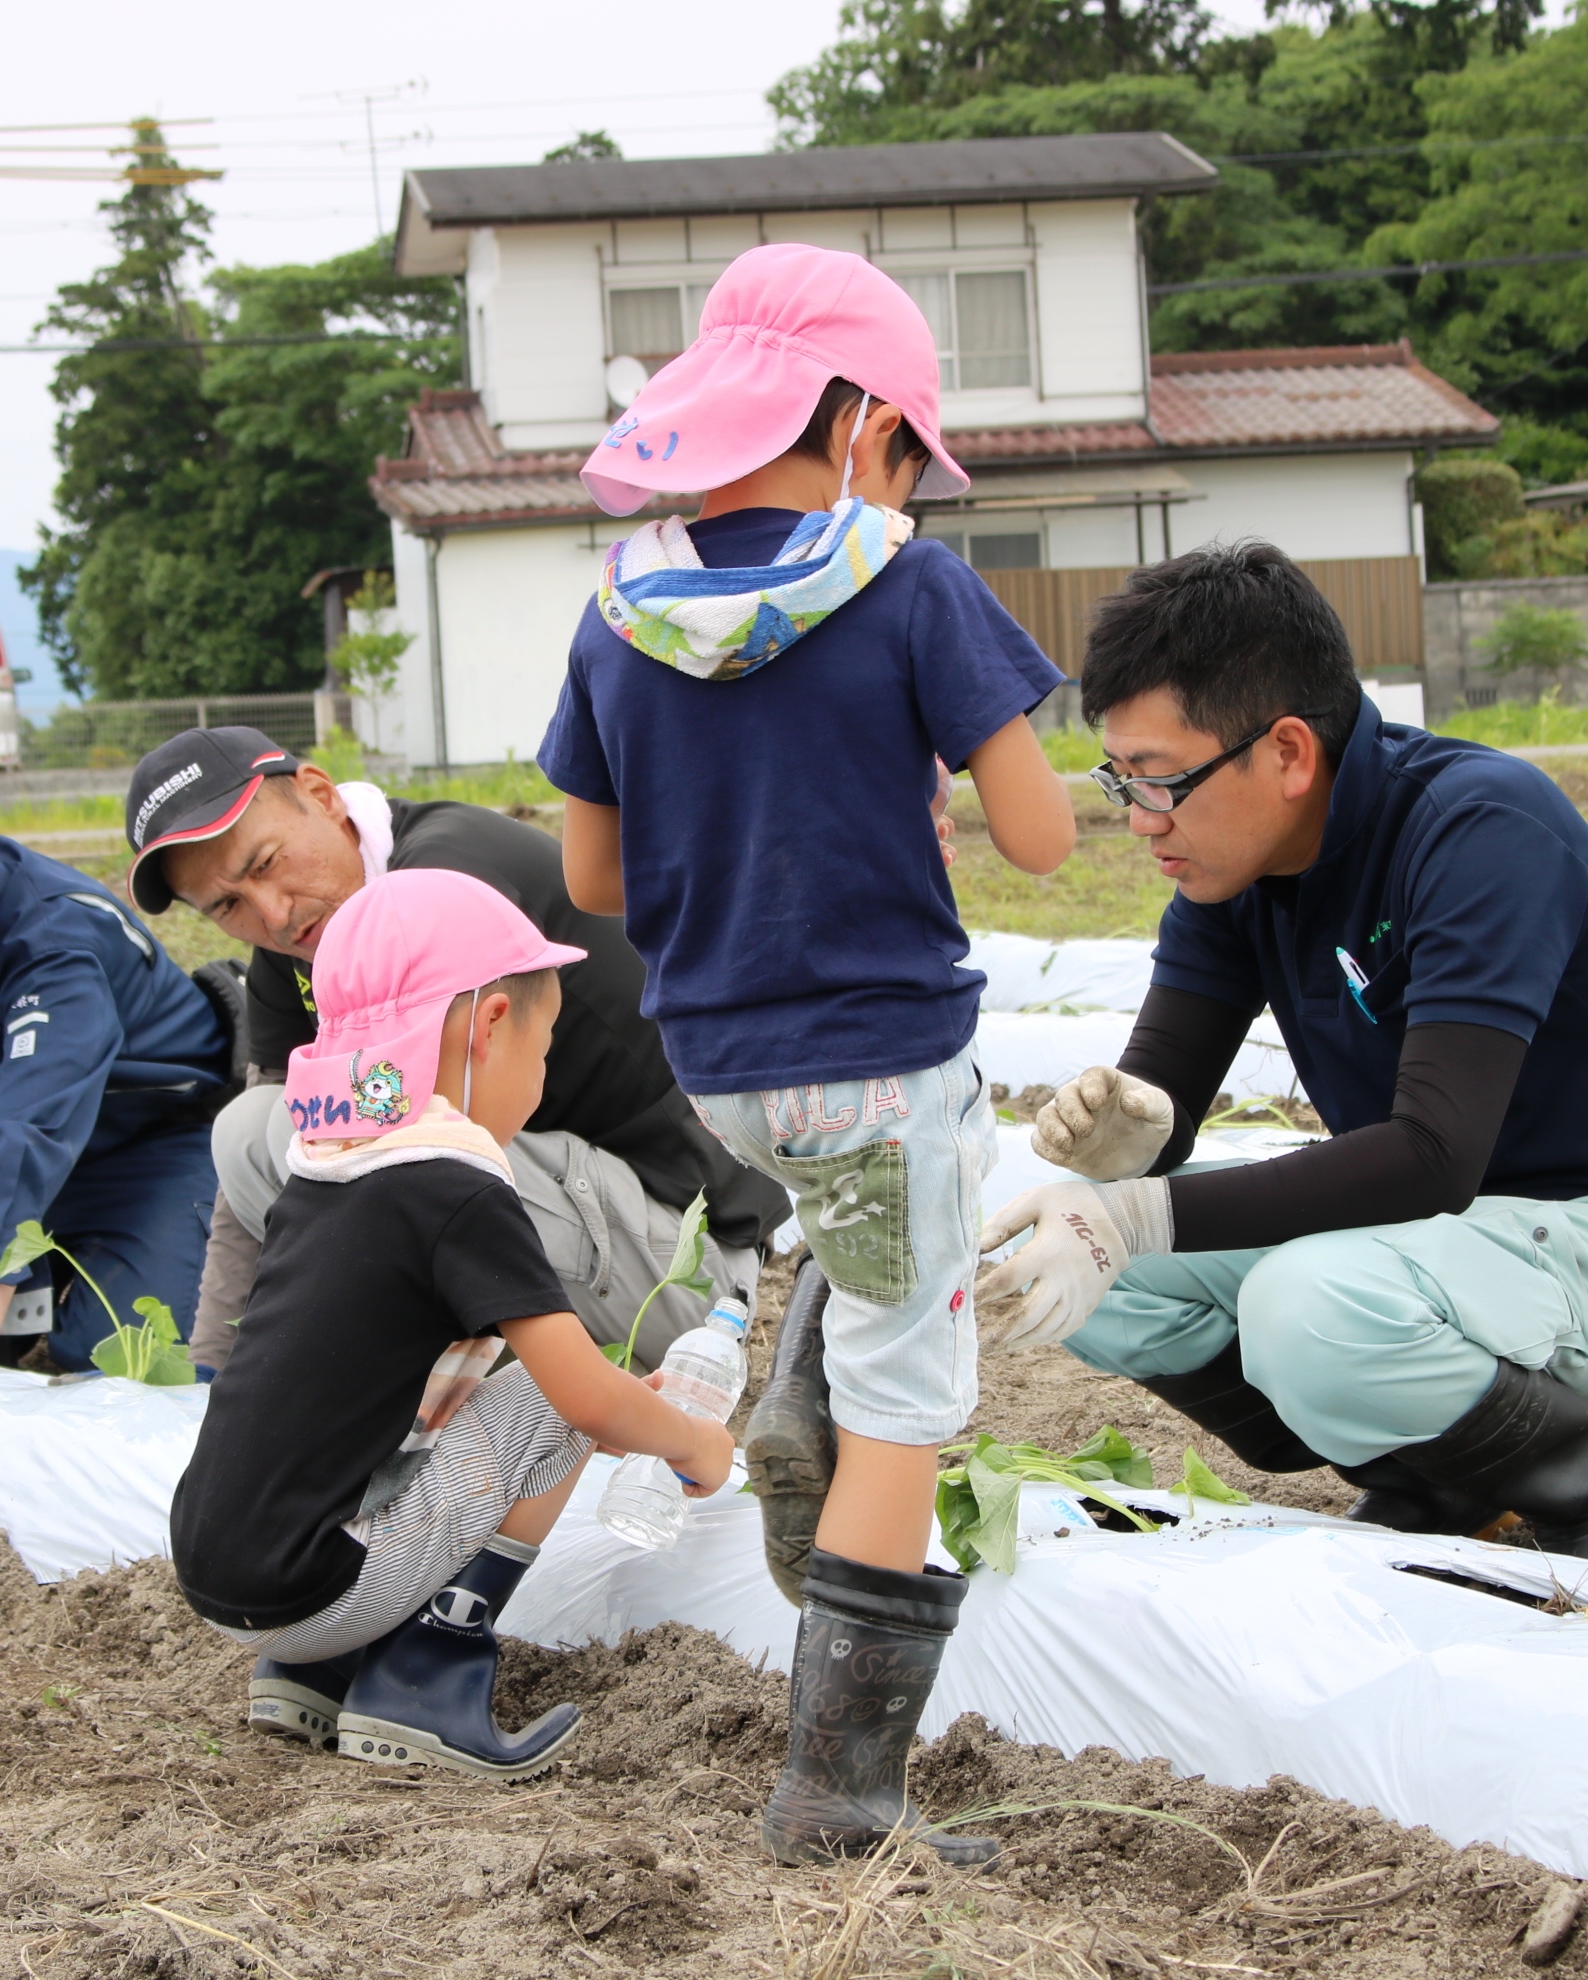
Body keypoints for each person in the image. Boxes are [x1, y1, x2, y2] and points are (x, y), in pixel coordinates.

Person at [540, 241, 1075, 1864]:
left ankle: (796, 1383)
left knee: (895, 1196)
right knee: (915, 1400)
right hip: (876, 1054)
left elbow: (595, 884)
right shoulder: (910, 581)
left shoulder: (619, 607)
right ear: (857, 426)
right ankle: (841, 1791)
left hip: (721, 1069)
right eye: (908, 446)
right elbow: (1043, 838)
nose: (911, 482)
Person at [977, 542, 1588, 1566]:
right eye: (1119, 780)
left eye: (1162, 780)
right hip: (1453, 1250)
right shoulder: (1236, 875)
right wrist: (1129, 1144)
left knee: (1302, 1307)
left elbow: (1435, 1153)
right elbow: (1163, 1112)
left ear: (1291, 752)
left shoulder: (1478, 830)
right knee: (1097, 1276)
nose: (1138, 820)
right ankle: (1440, 1480)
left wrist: (1134, 1213)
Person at [170, 867, 734, 1779]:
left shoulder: (330, 1163)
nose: (542, 1080)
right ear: (492, 1026)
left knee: (471, 1405)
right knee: (551, 1401)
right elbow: (582, 1398)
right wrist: (690, 1442)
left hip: (222, 1564)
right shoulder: (457, 1186)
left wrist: (633, 1403)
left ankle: (319, 1674)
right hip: (313, 1588)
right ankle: (427, 1675)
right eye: (544, 1048)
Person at [121, 726, 789, 1378]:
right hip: (550, 1227)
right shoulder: (298, 944)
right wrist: (211, 1378)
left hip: (685, 1267)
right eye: (226, 905)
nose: (269, 913)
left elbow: (410, 1162)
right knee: (253, 1124)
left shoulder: (444, 879)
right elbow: (254, 1191)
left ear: (321, 794)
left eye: (264, 863)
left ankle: (470, 1381)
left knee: (359, 1132)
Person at [0, 837, 231, 1371]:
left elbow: (26, 1132)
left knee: (128, 1364)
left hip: (156, 1143)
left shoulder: (54, 939)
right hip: (47, 1145)